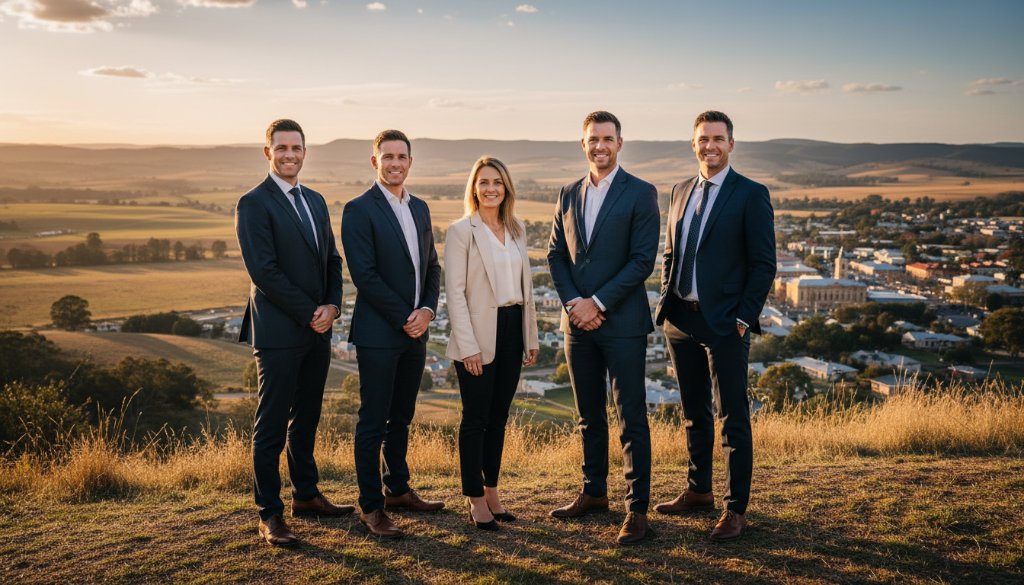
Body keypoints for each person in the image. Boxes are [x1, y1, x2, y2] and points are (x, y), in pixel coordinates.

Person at [653, 110, 776, 541]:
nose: (710, 145)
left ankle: (734, 508)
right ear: (693, 143)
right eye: (703, 138)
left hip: (725, 322)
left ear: (731, 144)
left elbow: (764, 265)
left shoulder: (751, 193)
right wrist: (666, 296)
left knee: (732, 416)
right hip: (680, 317)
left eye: (718, 138)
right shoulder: (680, 189)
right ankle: (698, 490)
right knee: (693, 412)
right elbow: (672, 250)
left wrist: (744, 318)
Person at [235, 119, 353, 547]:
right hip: (280, 333)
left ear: (305, 152)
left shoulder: (316, 201)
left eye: (296, 148)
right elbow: (263, 271)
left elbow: (332, 262)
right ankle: (269, 513)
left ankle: (306, 496)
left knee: (306, 420)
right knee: (270, 427)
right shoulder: (252, 203)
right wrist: (310, 312)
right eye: (281, 148)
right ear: (268, 152)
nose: (289, 155)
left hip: (318, 330)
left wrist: (333, 306)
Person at [547, 111, 660, 545]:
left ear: (620, 142)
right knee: (587, 416)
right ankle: (593, 492)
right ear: (583, 143)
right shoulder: (567, 193)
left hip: (623, 323)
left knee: (631, 418)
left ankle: (637, 510)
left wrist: (597, 302)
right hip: (577, 324)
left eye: (608, 139)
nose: (600, 146)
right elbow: (557, 255)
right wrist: (576, 304)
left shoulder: (641, 193)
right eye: (593, 139)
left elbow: (641, 262)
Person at [341, 129, 444, 539]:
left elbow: (432, 266)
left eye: (402, 156)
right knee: (373, 420)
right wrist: (406, 315)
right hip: (379, 333)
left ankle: (398, 490)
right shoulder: (358, 209)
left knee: (402, 416)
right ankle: (372, 507)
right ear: (375, 161)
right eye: (387, 156)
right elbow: (364, 276)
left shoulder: (419, 207)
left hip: (415, 331)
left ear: (410, 162)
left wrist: (427, 310)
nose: (395, 163)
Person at [445, 156, 540, 531]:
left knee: (499, 419)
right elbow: (454, 293)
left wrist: (529, 337)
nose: (490, 188)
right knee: (476, 419)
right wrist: (468, 346)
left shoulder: (516, 230)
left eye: (497, 182)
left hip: (513, 326)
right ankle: (474, 499)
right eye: (483, 182)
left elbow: (525, 290)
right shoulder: (460, 231)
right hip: (478, 334)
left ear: (506, 188)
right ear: (473, 187)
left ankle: (493, 492)